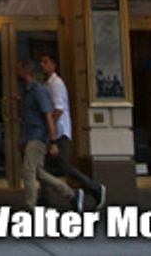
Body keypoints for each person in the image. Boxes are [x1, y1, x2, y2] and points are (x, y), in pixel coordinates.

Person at [39, 53, 106, 209]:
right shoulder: (48, 84)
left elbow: (58, 109)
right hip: (54, 132)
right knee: (44, 167)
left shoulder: (56, 84)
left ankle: (94, 188)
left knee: (63, 165)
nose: (42, 65)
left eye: (46, 62)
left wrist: (49, 128)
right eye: (41, 62)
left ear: (54, 65)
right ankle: (44, 198)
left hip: (59, 132)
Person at [14, 59, 82, 211]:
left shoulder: (38, 90)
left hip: (37, 137)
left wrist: (52, 141)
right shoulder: (25, 90)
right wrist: (20, 139)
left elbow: (48, 116)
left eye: (18, 69)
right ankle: (71, 194)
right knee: (39, 173)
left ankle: (30, 206)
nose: (16, 72)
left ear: (25, 71)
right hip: (28, 136)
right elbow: (25, 118)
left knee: (28, 172)